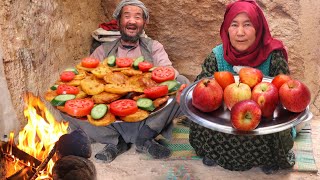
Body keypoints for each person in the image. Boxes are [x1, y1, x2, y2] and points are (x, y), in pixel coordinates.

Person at [61, 0, 189, 163]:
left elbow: (169, 73)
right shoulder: (103, 50)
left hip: (147, 115)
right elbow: (84, 77)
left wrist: (145, 87)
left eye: (137, 17)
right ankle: (115, 141)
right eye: (127, 16)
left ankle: (145, 136)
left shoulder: (153, 47)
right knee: (67, 102)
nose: (132, 21)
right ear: (118, 21)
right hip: (112, 117)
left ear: (144, 22)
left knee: (182, 82)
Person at [188, 0, 294, 173]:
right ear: (226, 29)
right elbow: (200, 91)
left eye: (247, 25)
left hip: (262, 122)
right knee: (201, 119)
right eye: (234, 25)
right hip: (224, 122)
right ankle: (213, 152)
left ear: (258, 28)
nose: (240, 33)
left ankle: (270, 157)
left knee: (274, 131)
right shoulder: (217, 56)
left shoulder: (273, 57)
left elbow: (286, 94)